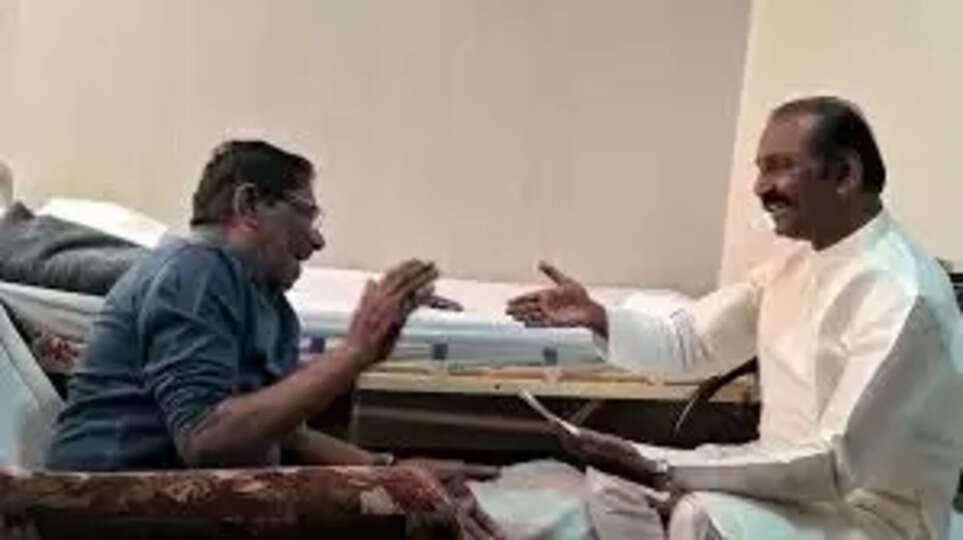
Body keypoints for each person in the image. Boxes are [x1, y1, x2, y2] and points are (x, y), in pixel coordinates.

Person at [507, 96, 963, 539]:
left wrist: (663, 464)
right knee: (613, 482)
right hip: (791, 486)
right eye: (761, 169)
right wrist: (599, 318)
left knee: (700, 516)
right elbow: (693, 341)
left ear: (845, 174)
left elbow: (835, 459)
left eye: (780, 167)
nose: (760, 188)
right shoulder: (795, 264)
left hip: (869, 514)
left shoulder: (903, 295)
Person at [48, 140, 445, 471]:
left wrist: (390, 470)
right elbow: (204, 440)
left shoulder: (270, 305)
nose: (317, 241)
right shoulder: (194, 272)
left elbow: (288, 437)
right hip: (113, 501)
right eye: (307, 214)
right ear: (250, 204)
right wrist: (353, 353)